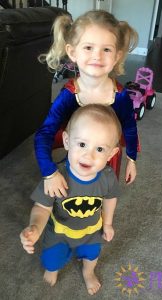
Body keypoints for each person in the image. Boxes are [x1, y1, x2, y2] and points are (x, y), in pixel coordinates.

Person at [35, 9, 138, 198]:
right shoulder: (69, 95)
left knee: (103, 190)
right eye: (88, 47)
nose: (97, 56)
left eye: (106, 49)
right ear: (72, 52)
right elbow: (45, 133)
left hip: (107, 154)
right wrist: (49, 173)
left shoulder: (121, 96)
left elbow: (130, 127)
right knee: (72, 189)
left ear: (116, 56)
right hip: (78, 150)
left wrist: (132, 158)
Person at [20, 104, 122, 295]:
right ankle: (53, 269)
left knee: (92, 256)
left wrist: (107, 223)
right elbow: (42, 207)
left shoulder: (107, 177)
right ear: (67, 141)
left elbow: (110, 198)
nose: (88, 155)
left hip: (92, 230)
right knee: (52, 260)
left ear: (111, 154)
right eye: (82, 144)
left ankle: (88, 272)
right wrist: (35, 227)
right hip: (60, 231)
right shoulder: (56, 179)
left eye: (100, 149)